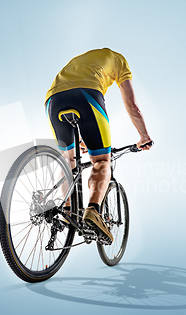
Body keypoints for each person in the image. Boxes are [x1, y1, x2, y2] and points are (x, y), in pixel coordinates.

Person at [45, 48, 153, 243]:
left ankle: (67, 210)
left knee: (68, 159)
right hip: (86, 95)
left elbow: (70, 90)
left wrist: (81, 140)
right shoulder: (119, 60)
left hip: (53, 100)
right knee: (102, 160)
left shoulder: (80, 60)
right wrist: (144, 136)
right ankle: (93, 210)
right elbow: (132, 105)